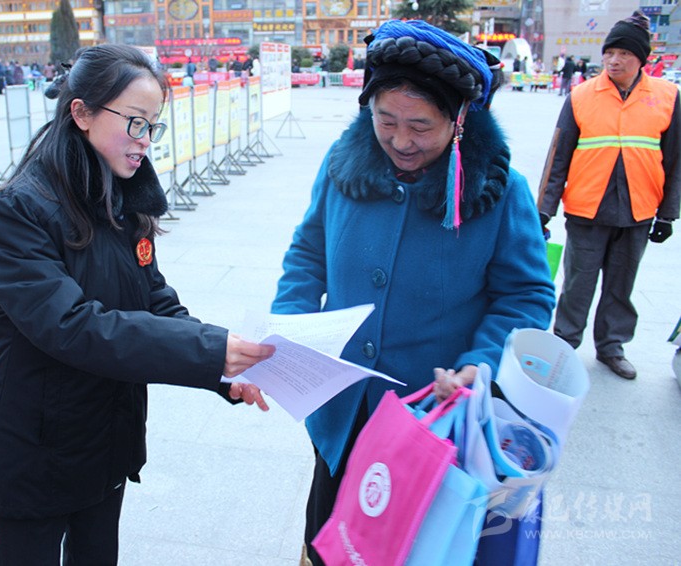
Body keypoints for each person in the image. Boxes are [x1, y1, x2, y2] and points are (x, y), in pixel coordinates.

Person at [0, 44, 275, 565]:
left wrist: (224, 369)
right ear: (82, 113)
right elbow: (71, 326)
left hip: (103, 441)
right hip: (34, 448)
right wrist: (209, 351)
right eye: (135, 122)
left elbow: (154, 300)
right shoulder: (18, 212)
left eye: (153, 126)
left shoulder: (124, 200)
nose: (146, 140)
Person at [271, 20, 556, 566]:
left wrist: (479, 364)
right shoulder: (342, 166)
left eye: (421, 126)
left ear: (459, 118)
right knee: (330, 540)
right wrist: (290, 325)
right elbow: (308, 254)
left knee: (409, 548)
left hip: (429, 421)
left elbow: (525, 295)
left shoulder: (500, 192)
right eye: (386, 121)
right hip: (344, 411)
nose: (402, 141)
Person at [538, 11, 681, 380]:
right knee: (578, 284)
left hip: (638, 209)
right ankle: (564, 344)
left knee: (621, 286)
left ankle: (612, 347)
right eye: (609, 53)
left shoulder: (667, 96)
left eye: (624, 54)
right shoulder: (582, 95)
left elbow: (675, 159)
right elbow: (558, 156)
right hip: (587, 208)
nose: (614, 60)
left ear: (641, 59)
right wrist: (544, 209)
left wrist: (668, 214)